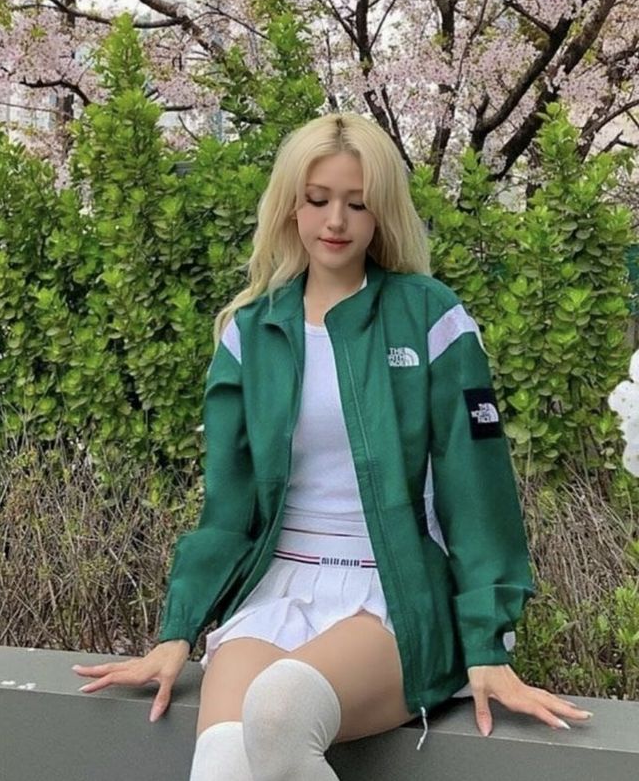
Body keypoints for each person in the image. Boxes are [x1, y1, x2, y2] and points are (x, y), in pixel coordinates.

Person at [73, 113, 592, 778]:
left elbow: (477, 490)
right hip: (275, 589)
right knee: (224, 762)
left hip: (392, 590)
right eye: (318, 199)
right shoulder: (251, 332)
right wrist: (178, 630)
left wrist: (488, 643)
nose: (336, 221)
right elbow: (227, 507)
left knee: (279, 710)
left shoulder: (430, 317)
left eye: (358, 203)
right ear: (291, 206)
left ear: (383, 213)